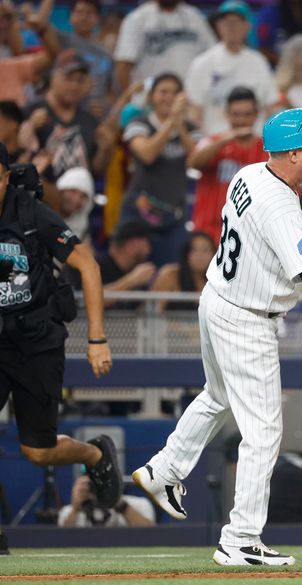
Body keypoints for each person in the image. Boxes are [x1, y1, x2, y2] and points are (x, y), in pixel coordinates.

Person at [132, 108, 302, 567]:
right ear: (292, 152)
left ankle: (164, 470)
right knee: (263, 433)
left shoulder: (248, 174)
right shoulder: (281, 204)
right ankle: (240, 538)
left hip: (218, 299)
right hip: (246, 317)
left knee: (216, 397)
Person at [0, 144, 121, 537]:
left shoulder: (31, 213)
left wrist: (97, 338)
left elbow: (87, 264)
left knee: (38, 451)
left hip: (36, 340)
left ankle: (94, 453)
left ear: (4, 177)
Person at [121, 73, 202, 266]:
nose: (169, 97)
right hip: (139, 211)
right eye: (163, 92)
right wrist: (170, 123)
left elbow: (196, 161)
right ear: (151, 97)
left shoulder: (191, 128)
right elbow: (147, 155)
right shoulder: (139, 123)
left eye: (175, 93)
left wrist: (179, 125)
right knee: (132, 269)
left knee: (171, 272)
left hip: (174, 216)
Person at [185, 0, 277, 136]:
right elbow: (194, 113)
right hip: (216, 142)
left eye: (236, 21)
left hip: (255, 143)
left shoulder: (259, 61)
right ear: (218, 27)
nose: (231, 27)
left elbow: (271, 107)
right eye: (226, 22)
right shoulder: (202, 63)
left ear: (247, 26)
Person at [189, 87, 265, 245]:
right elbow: (194, 162)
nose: (241, 120)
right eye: (236, 114)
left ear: (256, 114)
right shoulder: (213, 142)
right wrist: (225, 140)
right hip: (209, 232)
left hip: (249, 234)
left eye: (247, 114)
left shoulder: (267, 149)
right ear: (226, 114)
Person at [24, 50, 115, 181]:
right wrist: (30, 127)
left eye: (80, 80)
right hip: (38, 194)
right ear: (53, 77)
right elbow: (15, 156)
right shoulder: (30, 111)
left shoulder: (91, 120)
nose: (74, 86)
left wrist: (105, 150)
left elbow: (96, 171)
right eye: (69, 78)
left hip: (78, 197)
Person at [113, 0, 215, 91]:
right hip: (150, 96)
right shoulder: (137, 19)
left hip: (187, 94)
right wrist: (130, 98)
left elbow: (213, 55)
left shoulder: (195, 16)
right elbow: (123, 64)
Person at [57, 0, 115, 118]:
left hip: (97, 115)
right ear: (70, 17)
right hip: (66, 112)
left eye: (89, 13)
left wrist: (106, 107)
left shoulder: (106, 52)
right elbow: (42, 27)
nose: (83, 17)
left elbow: (110, 89)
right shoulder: (61, 41)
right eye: (79, 12)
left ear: (98, 18)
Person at [92, 219, 156, 307]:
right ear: (131, 245)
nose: (149, 249)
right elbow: (88, 301)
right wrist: (132, 281)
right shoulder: (95, 267)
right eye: (146, 242)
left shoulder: (133, 271)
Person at [150, 231, 215, 311]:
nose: (200, 255)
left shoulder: (217, 283)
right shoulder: (171, 275)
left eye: (205, 250)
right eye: (194, 250)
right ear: (186, 254)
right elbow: (153, 312)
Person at [58, 474, 156, 528]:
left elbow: (150, 535)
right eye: (94, 485)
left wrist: (119, 503)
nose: (98, 489)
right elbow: (62, 540)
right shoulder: (69, 511)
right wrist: (76, 508)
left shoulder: (139, 504)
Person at [55, 166, 94, 241]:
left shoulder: (80, 228)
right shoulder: (38, 209)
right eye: (73, 191)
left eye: (83, 196)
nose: (76, 200)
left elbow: (61, 242)